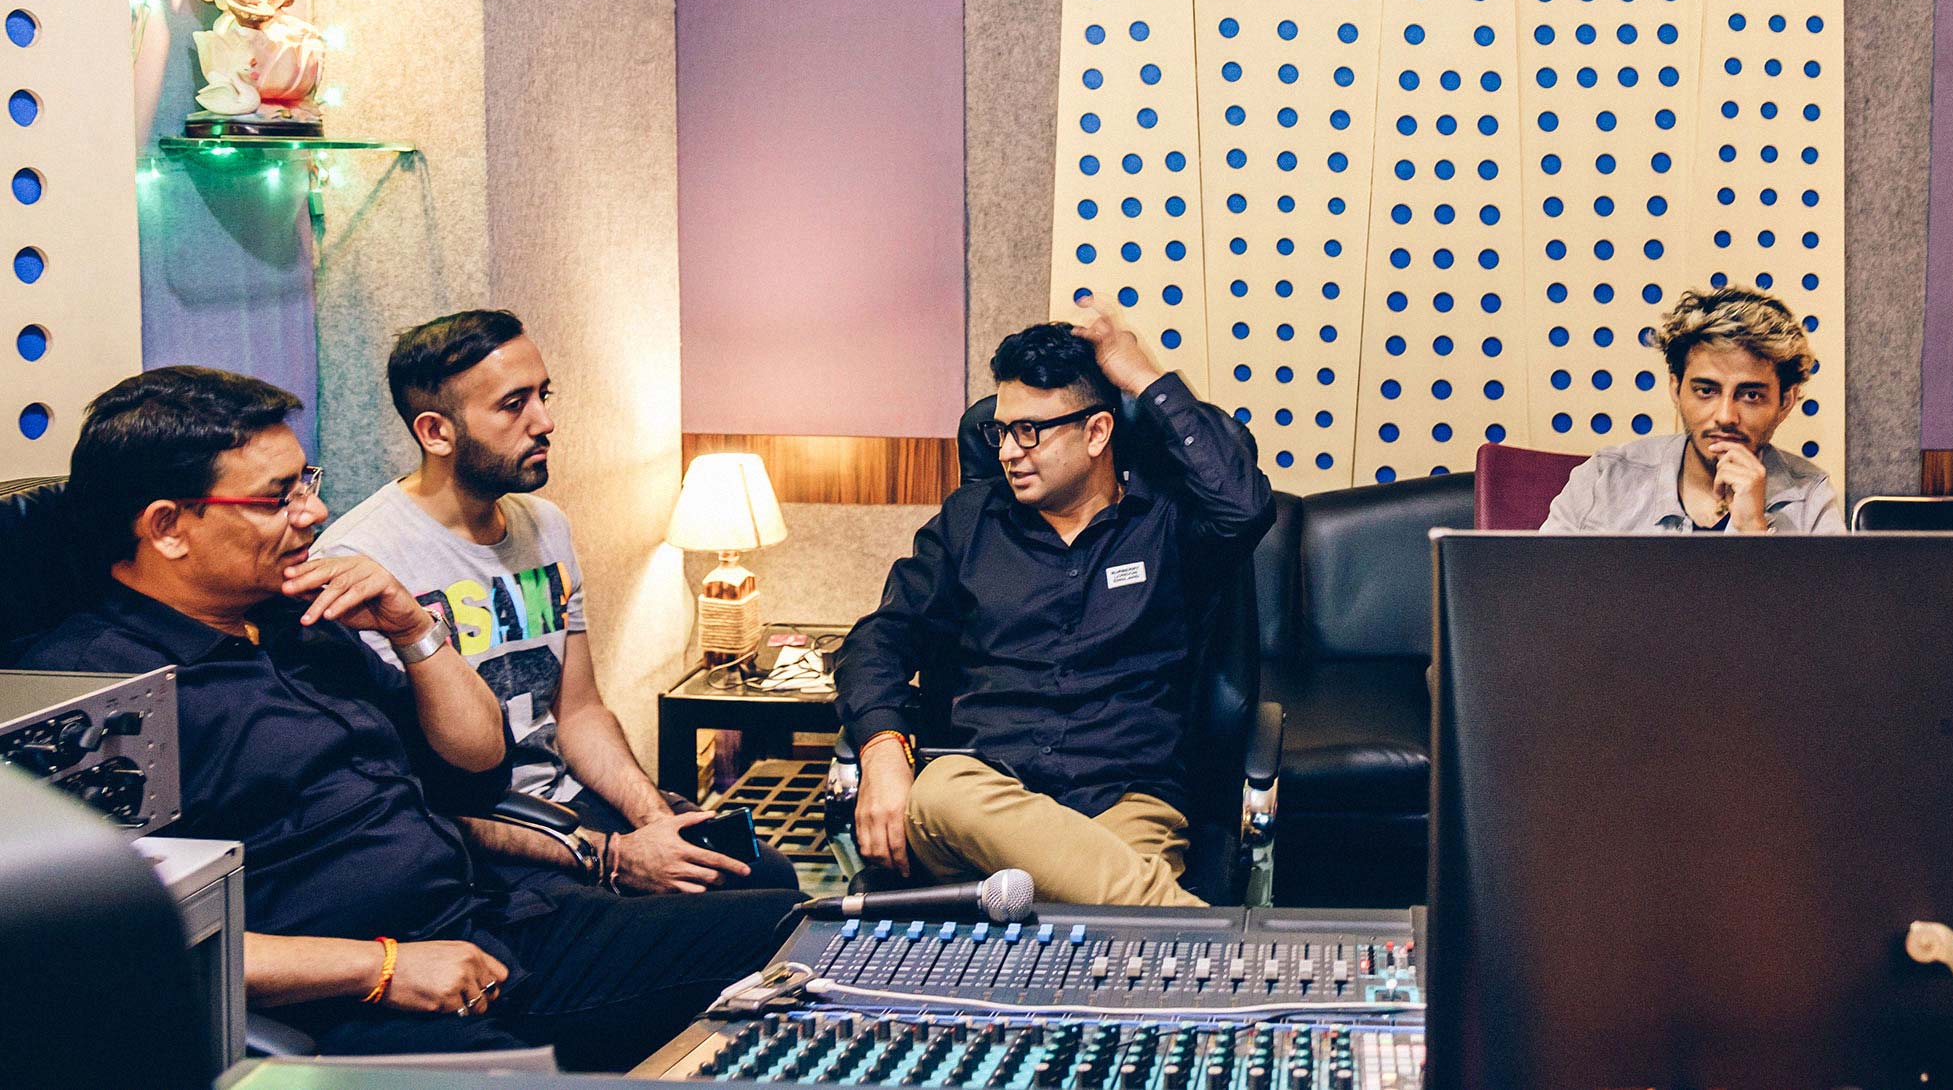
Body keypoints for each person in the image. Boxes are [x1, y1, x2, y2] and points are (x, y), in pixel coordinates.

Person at [15, 367, 797, 1067]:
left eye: (306, 481)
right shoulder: (95, 696)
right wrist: (381, 968)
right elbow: (111, 945)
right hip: (361, 1001)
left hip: (496, 923)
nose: (314, 511)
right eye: (275, 498)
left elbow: (476, 764)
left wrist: (412, 629)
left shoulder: (301, 619)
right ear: (167, 527)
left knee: (803, 935)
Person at [315, 309, 795, 897]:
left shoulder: (545, 526)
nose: (545, 421)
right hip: (482, 837)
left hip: (568, 804)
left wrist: (656, 821)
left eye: (543, 395)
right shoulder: (359, 561)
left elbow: (580, 713)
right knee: (729, 919)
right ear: (436, 432)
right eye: (513, 405)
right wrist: (615, 857)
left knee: (765, 877)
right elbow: (405, 793)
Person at [836, 296, 1275, 907]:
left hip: (1127, 801)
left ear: (1098, 432)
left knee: (1108, 903)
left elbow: (1245, 505)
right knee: (941, 792)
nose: (1008, 452)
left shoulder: (1167, 524)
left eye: (1029, 431)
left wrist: (1140, 375)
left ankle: (1147, 922)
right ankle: (1203, 936)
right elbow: (878, 639)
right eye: (1001, 431)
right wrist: (883, 749)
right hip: (980, 801)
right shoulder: (971, 522)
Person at [1542, 284, 1842, 534]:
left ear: (1784, 403)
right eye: (1706, 391)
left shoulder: (1810, 498)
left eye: (1751, 395)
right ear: (1676, 390)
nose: (1725, 416)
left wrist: (1753, 530)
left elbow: (1827, 607)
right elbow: (1538, 595)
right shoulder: (1604, 479)